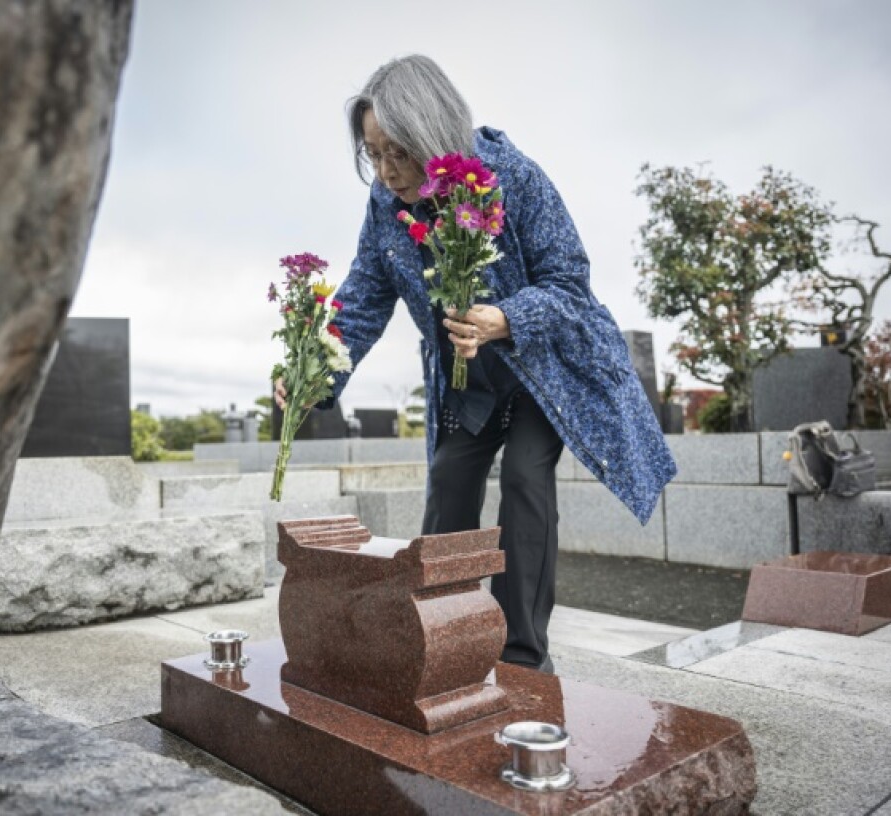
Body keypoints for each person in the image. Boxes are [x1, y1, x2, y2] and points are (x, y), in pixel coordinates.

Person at [275, 55, 675, 672]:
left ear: (432, 133)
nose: (385, 172)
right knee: (450, 481)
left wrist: (505, 317)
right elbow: (362, 297)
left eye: (397, 152)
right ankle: (441, 636)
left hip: (548, 372)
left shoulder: (512, 176)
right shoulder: (387, 206)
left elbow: (570, 282)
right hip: (472, 382)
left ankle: (521, 658)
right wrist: (315, 374)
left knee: (523, 477)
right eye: (373, 154)